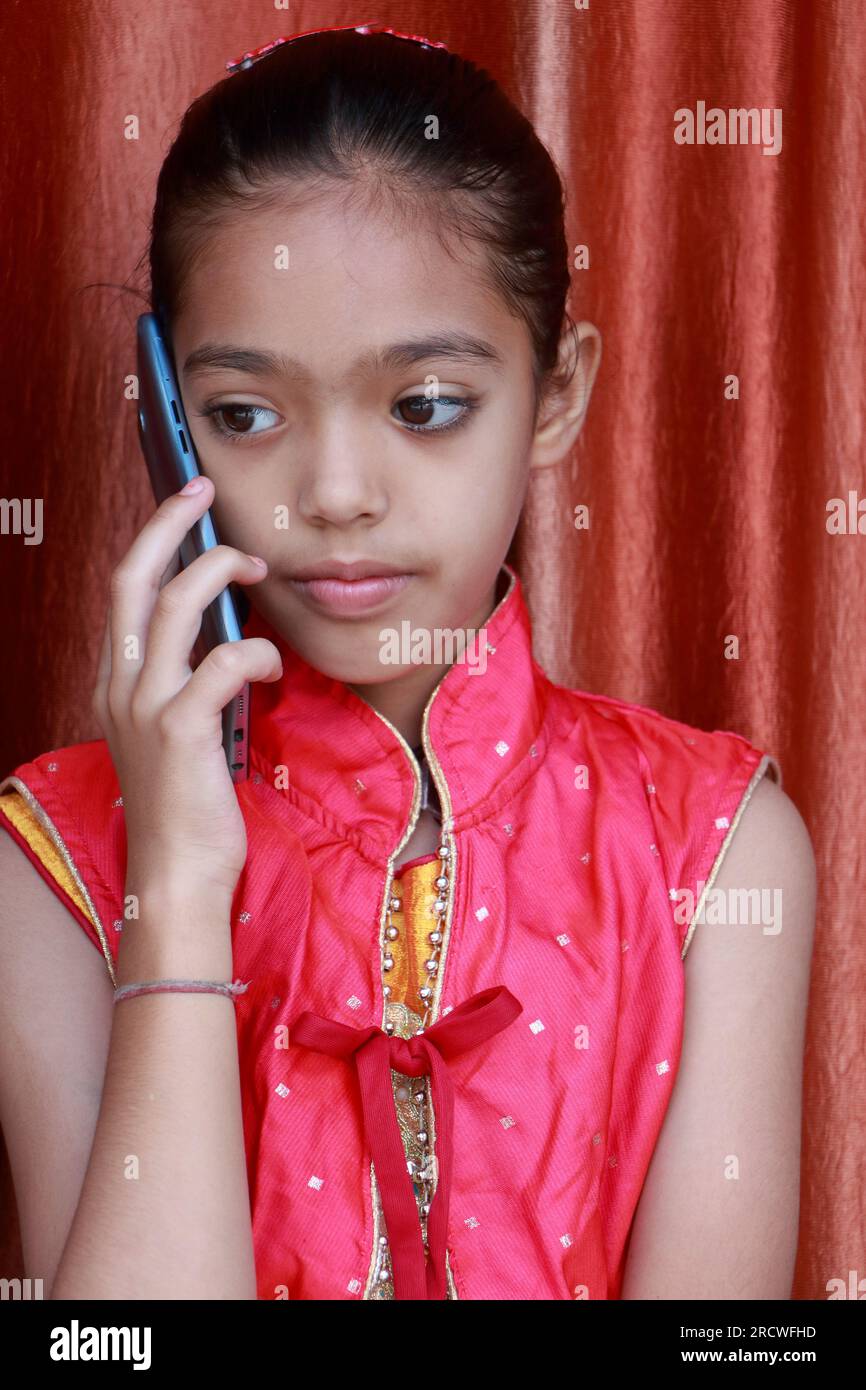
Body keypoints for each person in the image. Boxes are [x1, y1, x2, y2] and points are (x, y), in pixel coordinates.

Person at [0, 23, 816, 1301]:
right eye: (243, 415)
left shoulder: (713, 853)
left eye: (423, 404)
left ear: (554, 398)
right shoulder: (56, 862)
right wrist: (176, 881)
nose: (332, 493)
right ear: (165, 422)